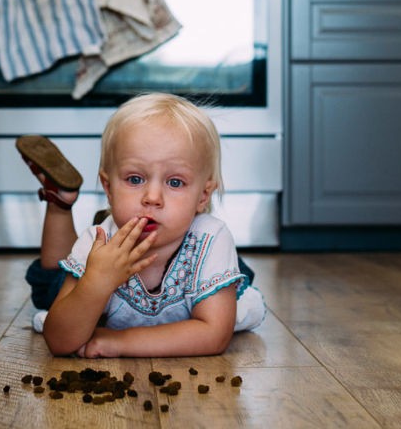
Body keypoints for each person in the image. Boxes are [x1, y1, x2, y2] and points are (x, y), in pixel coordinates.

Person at [17, 93, 266, 358]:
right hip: (103, 253)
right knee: (51, 289)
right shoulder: (97, 241)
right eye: (135, 179)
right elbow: (59, 340)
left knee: (239, 284)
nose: (152, 198)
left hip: (196, 258)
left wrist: (117, 342)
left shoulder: (211, 239)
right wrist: (96, 282)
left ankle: (85, 207)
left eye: (175, 183)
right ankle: (59, 205)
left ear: (203, 196)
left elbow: (214, 335)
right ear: (108, 187)